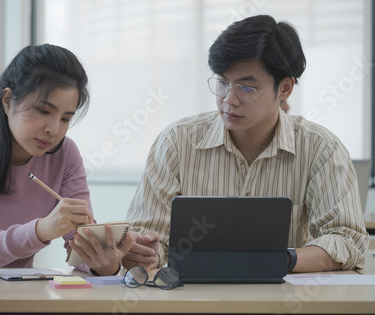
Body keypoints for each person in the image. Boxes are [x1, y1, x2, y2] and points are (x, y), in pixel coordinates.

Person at [123, 15, 369, 273]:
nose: (229, 100)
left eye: (247, 88)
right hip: (194, 300)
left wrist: (276, 260)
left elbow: (347, 239)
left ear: (285, 88)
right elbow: (147, 237)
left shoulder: (322, 149)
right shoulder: (176, 143)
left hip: (283, 303)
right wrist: (142, 253)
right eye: (222, 82)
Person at [0, 44, 131, 275]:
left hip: (23, 298)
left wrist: (106, 262)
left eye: (65, 118)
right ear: (7, 101)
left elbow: (81, 247)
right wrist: (40, 230)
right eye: (44, 111)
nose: (54, 130)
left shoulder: (65, 155)